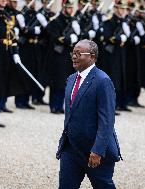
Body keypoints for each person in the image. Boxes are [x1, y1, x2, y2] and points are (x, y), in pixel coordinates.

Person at [56, 39, 122, 189]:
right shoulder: (71, 79)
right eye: (73, 53)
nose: (74, 56)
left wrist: (97, 150)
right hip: (71, 149)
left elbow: (107, 120)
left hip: (94, 151)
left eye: (79, 53)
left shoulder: (102, 81)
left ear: (92, 56)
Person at [46, 0, 79, 114]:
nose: (70, 10)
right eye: (68, 8)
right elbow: (55, 37)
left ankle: (60, 105)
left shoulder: (73, 21)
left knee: (65, 81)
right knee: (57, 81)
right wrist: (69, 39)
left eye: (71, 8)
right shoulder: (56, 21)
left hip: (68, 55)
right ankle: (54, 105)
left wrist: (77, 35)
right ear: (63, 7)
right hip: (58, 55)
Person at [103, 0, 131, 112]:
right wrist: (120, 38)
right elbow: (107, 37)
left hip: (121, 55)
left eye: (124, 9)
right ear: (115, 8)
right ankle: (109, 106)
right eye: (120, 8)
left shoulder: (124, 23)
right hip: (112, 56)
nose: (123, 11)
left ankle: (119, 104)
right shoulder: (109, 22)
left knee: (121, 79)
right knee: (113, 80)